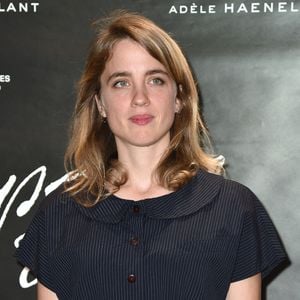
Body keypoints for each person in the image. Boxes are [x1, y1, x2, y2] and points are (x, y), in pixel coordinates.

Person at [16, 10, 287, 300]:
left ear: (179, 98)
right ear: (101, 104)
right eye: (121, 82)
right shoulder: (58, 214)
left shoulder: (233, 208)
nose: (140, 98)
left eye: (155, 80)